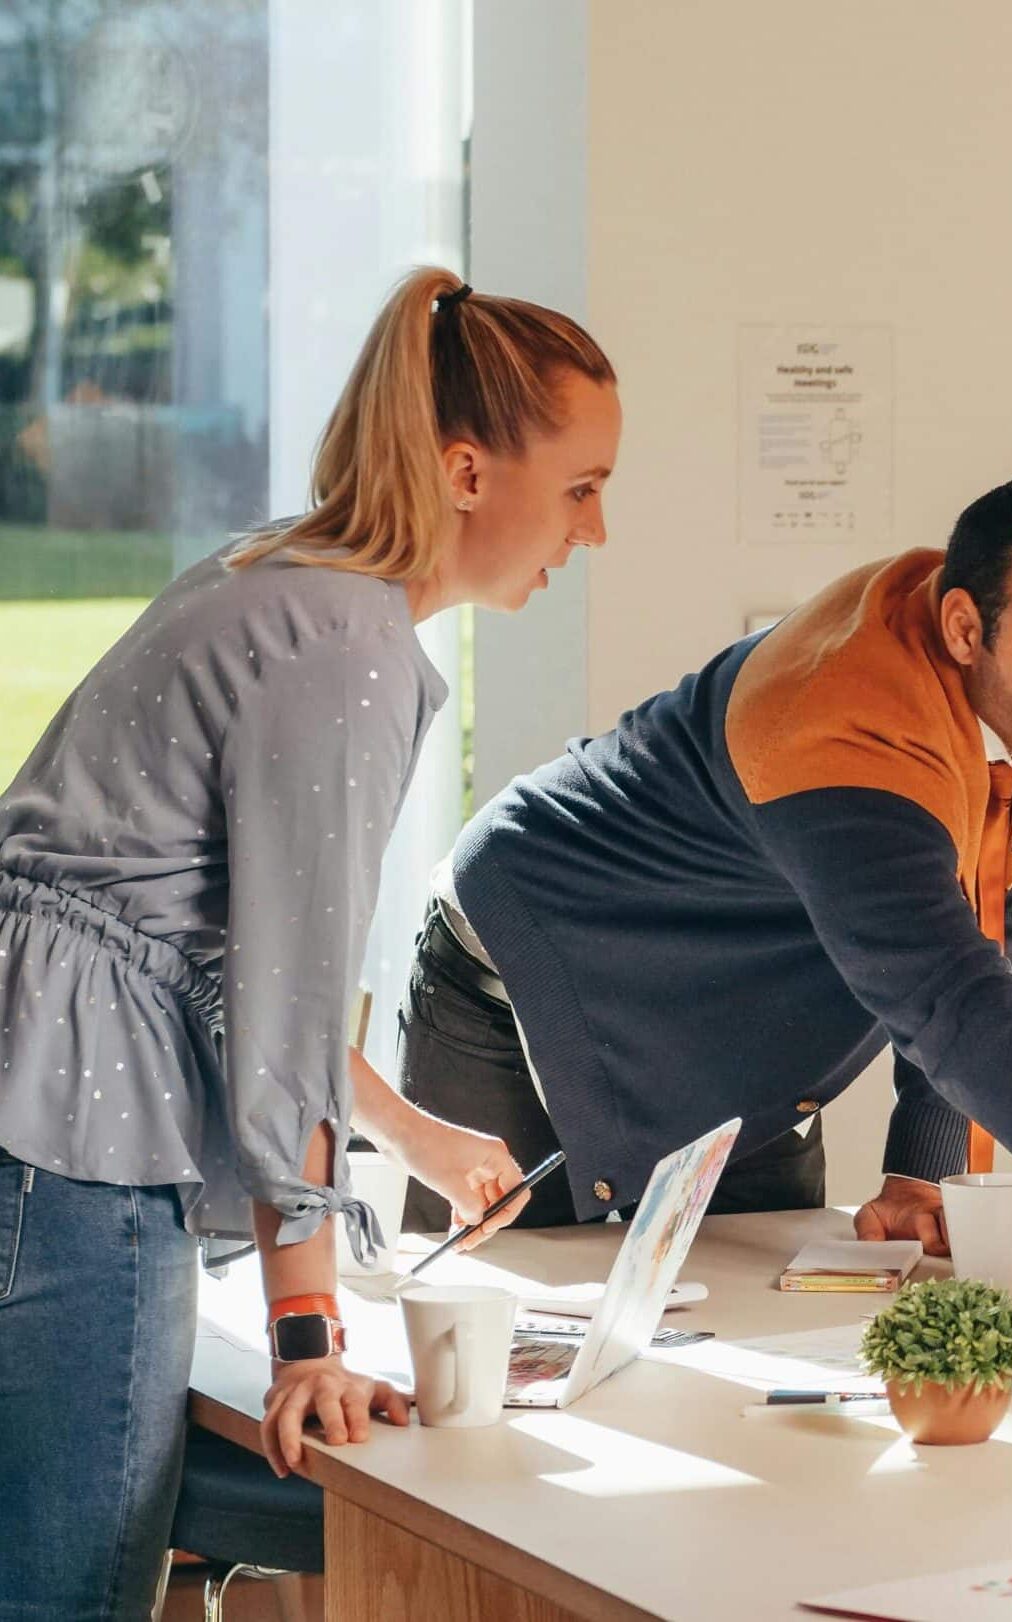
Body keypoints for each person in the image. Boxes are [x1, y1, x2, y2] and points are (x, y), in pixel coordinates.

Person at [368, 470, 1012, 1336]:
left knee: (766, 1344)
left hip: (739, 1026)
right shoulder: (843, 729)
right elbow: (953, 1001)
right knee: (505, 1350)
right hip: (535, 972)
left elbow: (975, 927)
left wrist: (921, 1169)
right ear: (968, 626)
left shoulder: (1001, 689)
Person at [0, 268, 620, 1617]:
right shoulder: (348, 648)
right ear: (466, 470)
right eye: (579, 486)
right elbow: (280, 1007)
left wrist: (409, 1133)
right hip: (74, 1142)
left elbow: (215, 957)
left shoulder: (284, 572)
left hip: (38, 1096)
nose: (597, 528)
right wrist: (307, 1336)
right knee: (73, 1585)